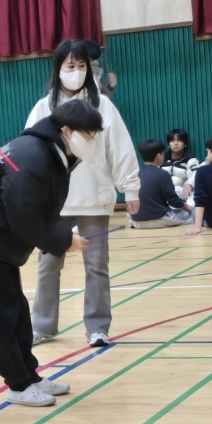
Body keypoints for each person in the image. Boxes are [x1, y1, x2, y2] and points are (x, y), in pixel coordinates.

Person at [0, 102, 98, 406]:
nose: (92, 141)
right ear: (66, 130)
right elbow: (24, 210)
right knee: (1, 315)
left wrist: (60, 238)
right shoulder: (33, 154)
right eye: (88, 134)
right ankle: (17, 385)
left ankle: (29, 374)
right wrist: (62, 241)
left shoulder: (50, 151)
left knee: (16, 309)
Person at [25, 38, 140, 349]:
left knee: (97, 265)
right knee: (48, 266)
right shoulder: (43, 107)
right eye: (69, 65)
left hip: (94, 200)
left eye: (81, 65)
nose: (75, 71)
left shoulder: (103, 105)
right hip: (55, 203)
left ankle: (97, 327)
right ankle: (42, 326)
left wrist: (130, 187)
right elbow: (30, 150)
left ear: (89, 69)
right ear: (58, 69)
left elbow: (120, 147)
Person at [129, 139, 191, 228]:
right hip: (159, 219)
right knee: (189, 214)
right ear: (159, 156)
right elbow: (172, 200)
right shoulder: (163, 174)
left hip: (136, 221)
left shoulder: (135, 173)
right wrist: (186, 207)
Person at [162, 128, 199, 200]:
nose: (175, 143)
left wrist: (189, 184)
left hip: (182, 195)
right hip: (162, 194)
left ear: (185, 144)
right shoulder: (162, 159)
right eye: (172, 141)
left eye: (179, 140)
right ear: (169, 144)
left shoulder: (191, 160)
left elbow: (195, 175)